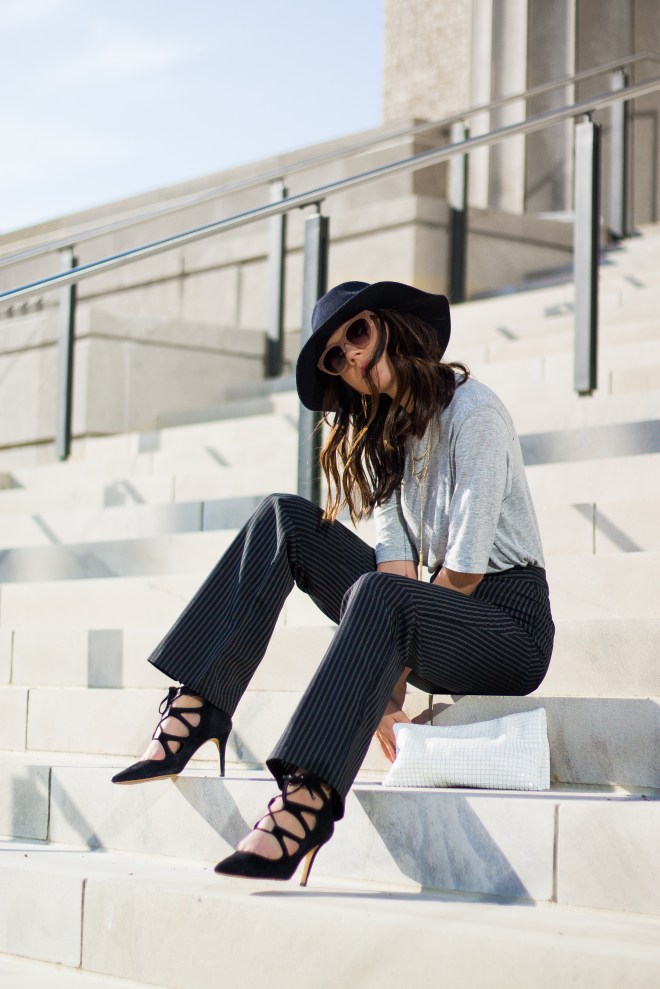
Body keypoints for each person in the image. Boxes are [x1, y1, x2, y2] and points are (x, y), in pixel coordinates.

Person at [112, 281, 554, 886]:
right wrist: (389, 702)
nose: (350, 357)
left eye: (356, 333)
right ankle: (199, 705)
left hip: (506, 630)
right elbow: (395, 565)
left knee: (379, 595)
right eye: (334, 359)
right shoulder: (388, 431)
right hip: (428, 613)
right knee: (284, 517)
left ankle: (307, 801)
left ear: (391, 324)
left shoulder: (476, 415)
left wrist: (378, 698)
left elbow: (466, 572)